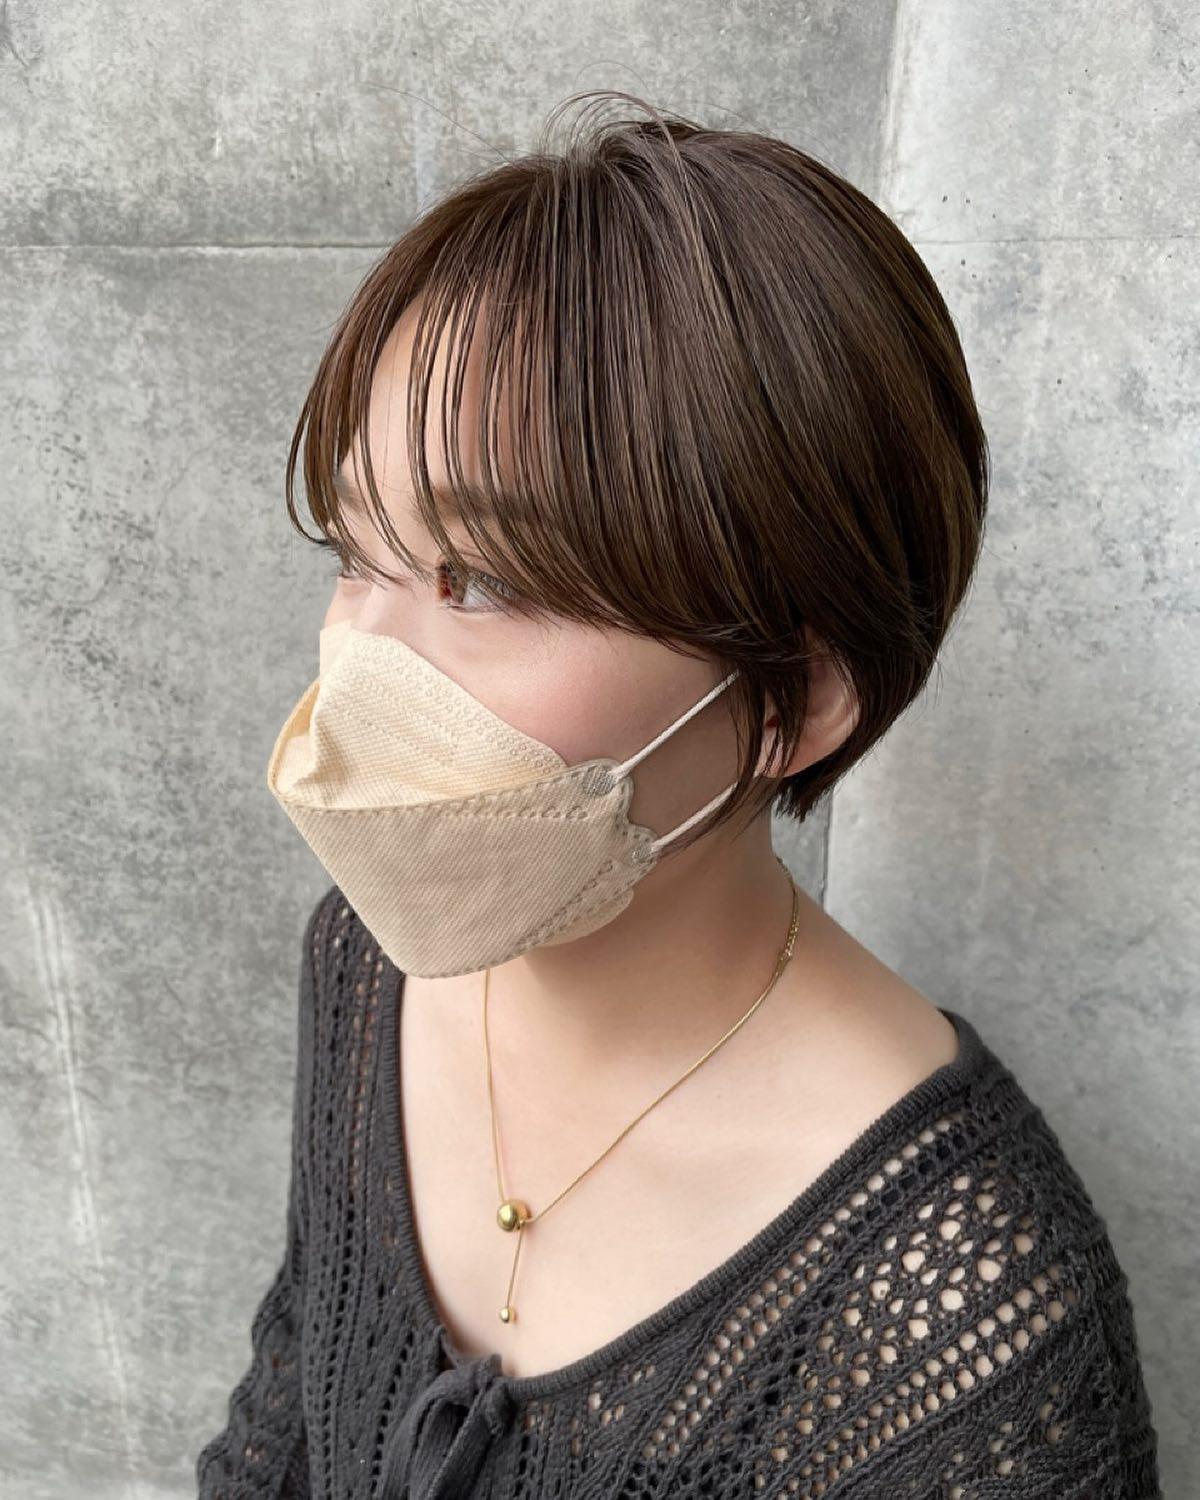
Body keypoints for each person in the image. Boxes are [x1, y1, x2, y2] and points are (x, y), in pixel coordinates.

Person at [196, 91, 1161, 1498]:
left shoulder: (961, 1319)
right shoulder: (370, 966)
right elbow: (280, 1433)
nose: (362, 669)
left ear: (794, 696)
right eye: (355, 553)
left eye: (483, 580)